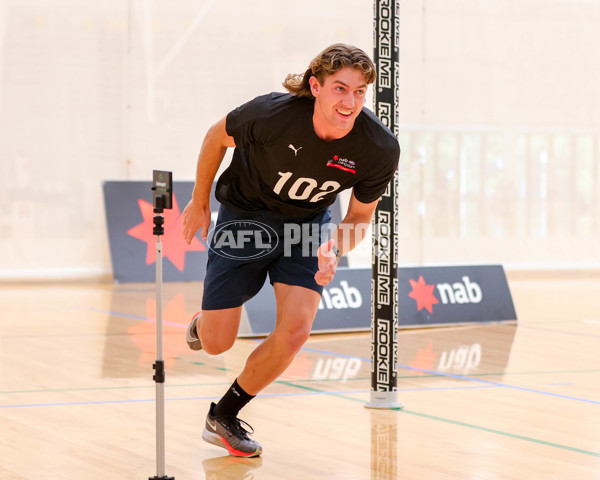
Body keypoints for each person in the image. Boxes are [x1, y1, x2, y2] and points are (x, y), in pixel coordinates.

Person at [181, 43, 400, 458]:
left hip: (308, 225)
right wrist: (199, 200)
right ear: (315, 86)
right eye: (340, 88)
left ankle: (224, 415)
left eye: (359, 92)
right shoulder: (272, 114)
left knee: (297, 329)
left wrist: (336, 245)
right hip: (245, 216)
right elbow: (216, 136)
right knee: (215, 343)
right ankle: (204, 322)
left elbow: (359, 217)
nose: (349, 101)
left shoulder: (378, 148)